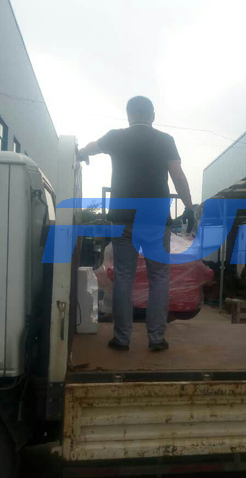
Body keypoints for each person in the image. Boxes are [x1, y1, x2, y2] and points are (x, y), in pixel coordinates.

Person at [78, 96, 194, 352]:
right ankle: (156, 338)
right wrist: (189, 206)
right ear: (152, 116)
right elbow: (177, 175)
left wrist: (81, 153)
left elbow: (90, 148)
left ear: (128, 115)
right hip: (156, 219)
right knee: (159, 277)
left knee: (123, 277)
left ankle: (122, 339)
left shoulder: (115, 137)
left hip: (123, 219)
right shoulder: (165, 140)